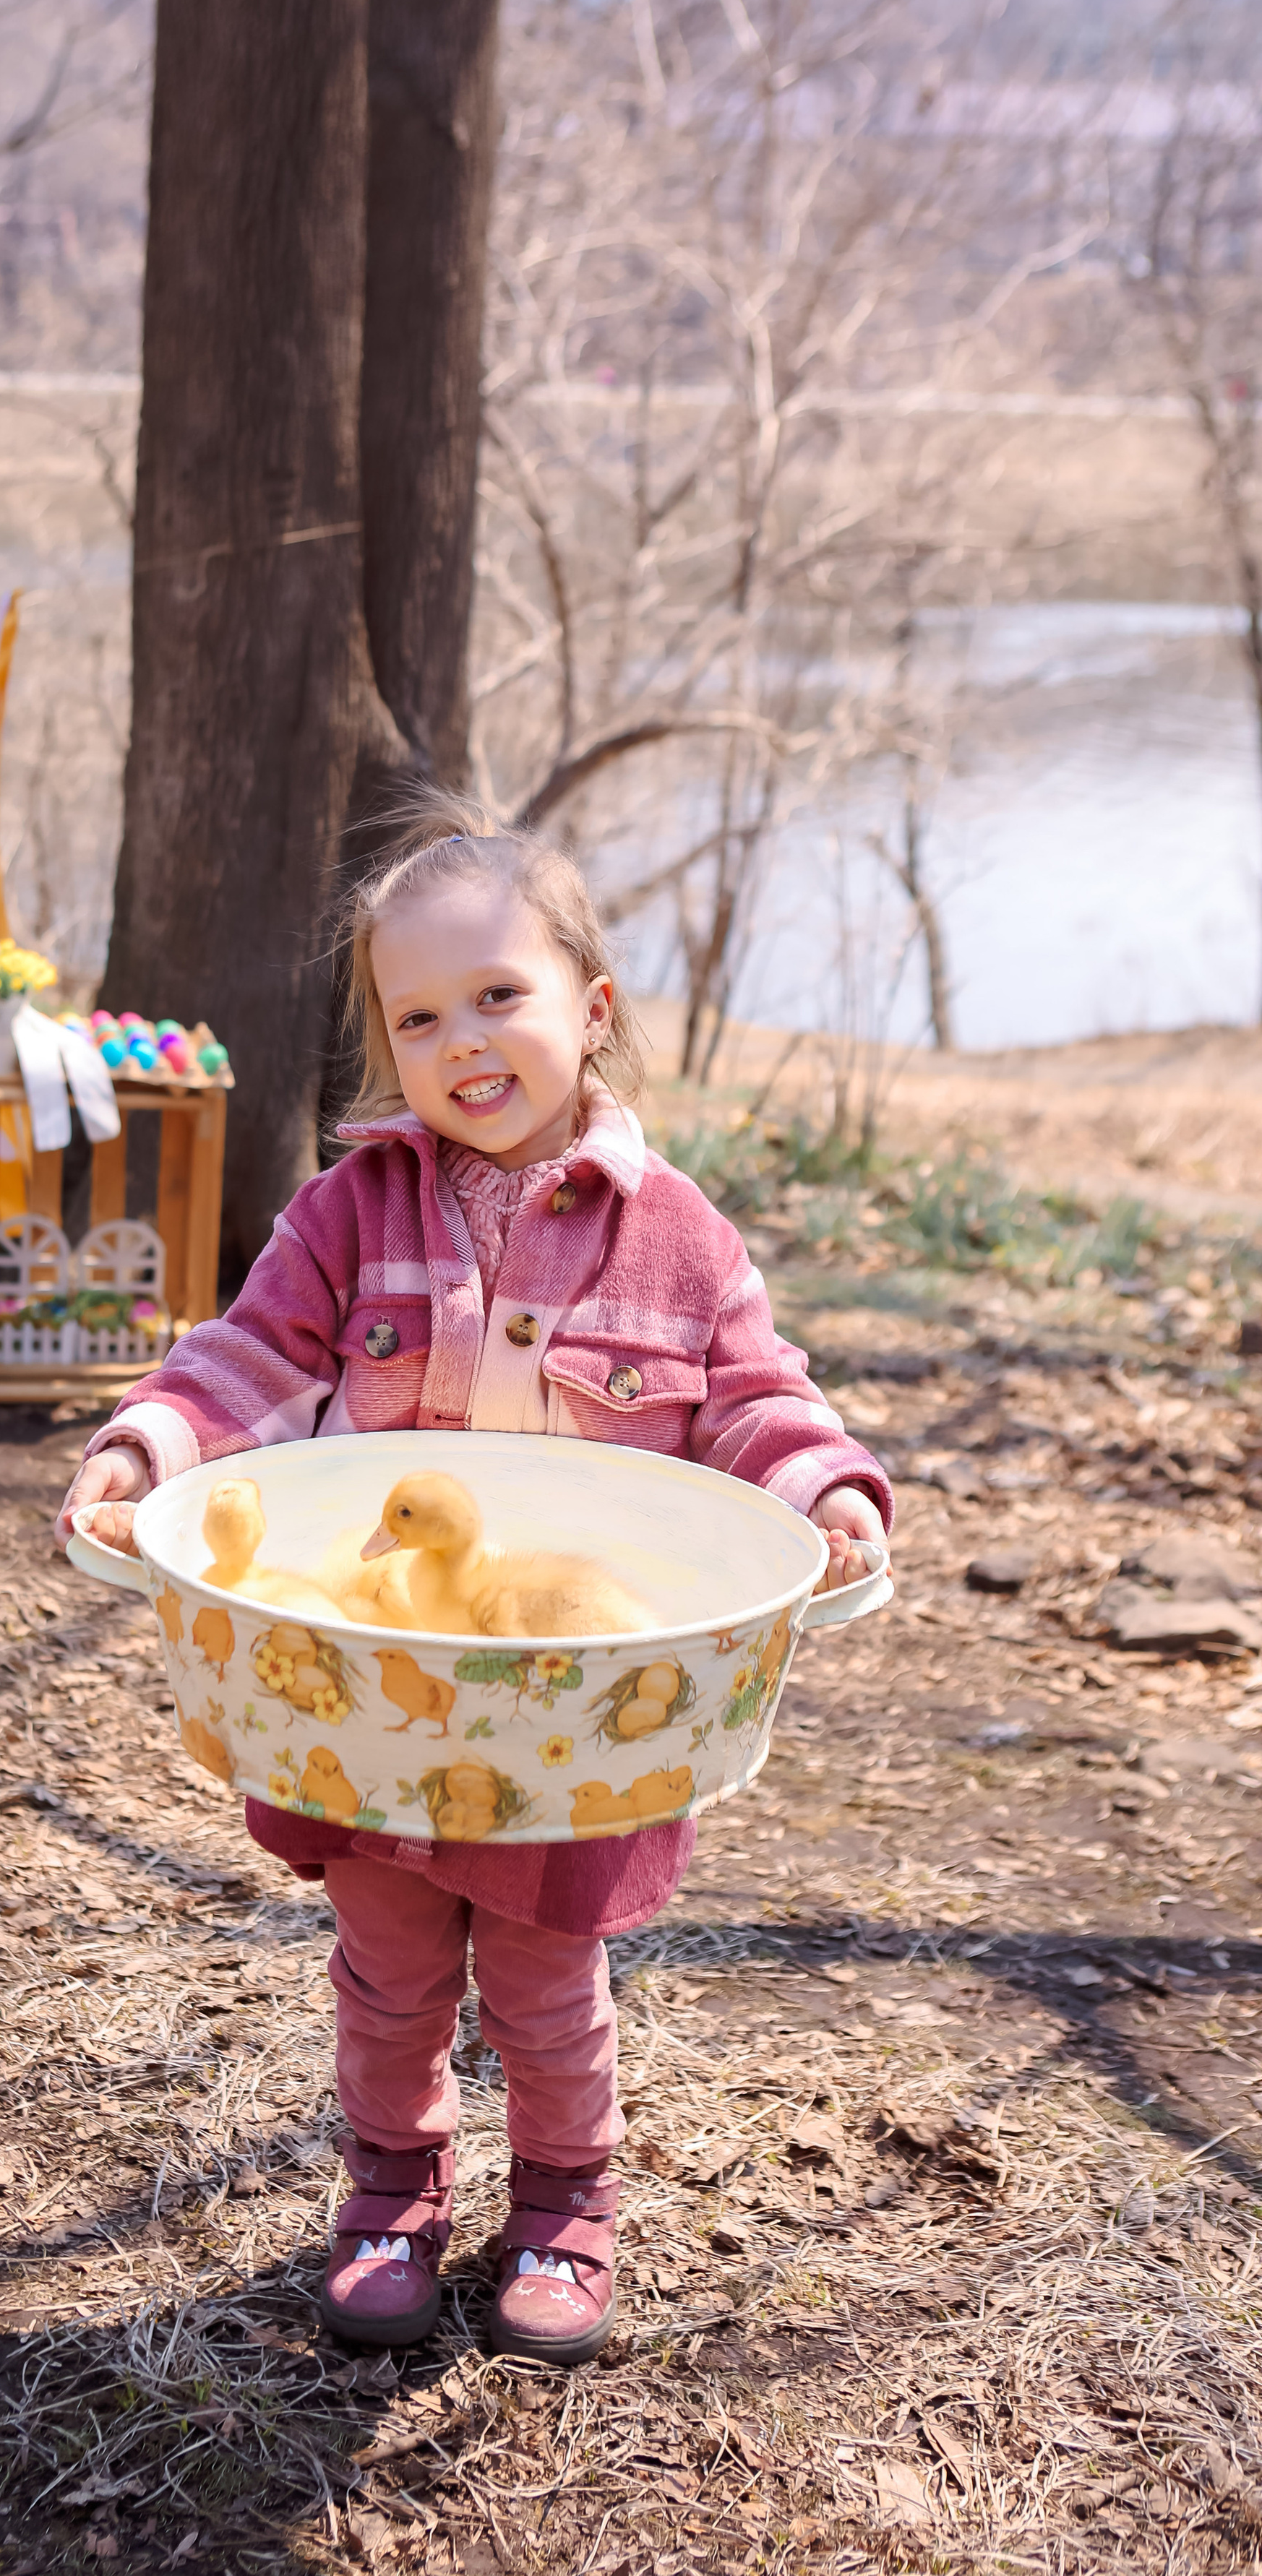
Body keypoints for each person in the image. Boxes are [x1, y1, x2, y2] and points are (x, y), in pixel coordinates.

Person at [58, 799, 893, 2366]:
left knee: (543, 1982)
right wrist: (145, 1453)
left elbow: (755, 1399)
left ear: (592, 1006)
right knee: (385, 1973)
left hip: (570, 1714)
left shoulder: (677, 1240)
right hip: (374, 1695)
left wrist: (827, 1496)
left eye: (498, 995)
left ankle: (566, 2204)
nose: (461, 1041)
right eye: (418, 1015)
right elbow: (248, 1358)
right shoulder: (349, 1213)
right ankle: (391, 2191)